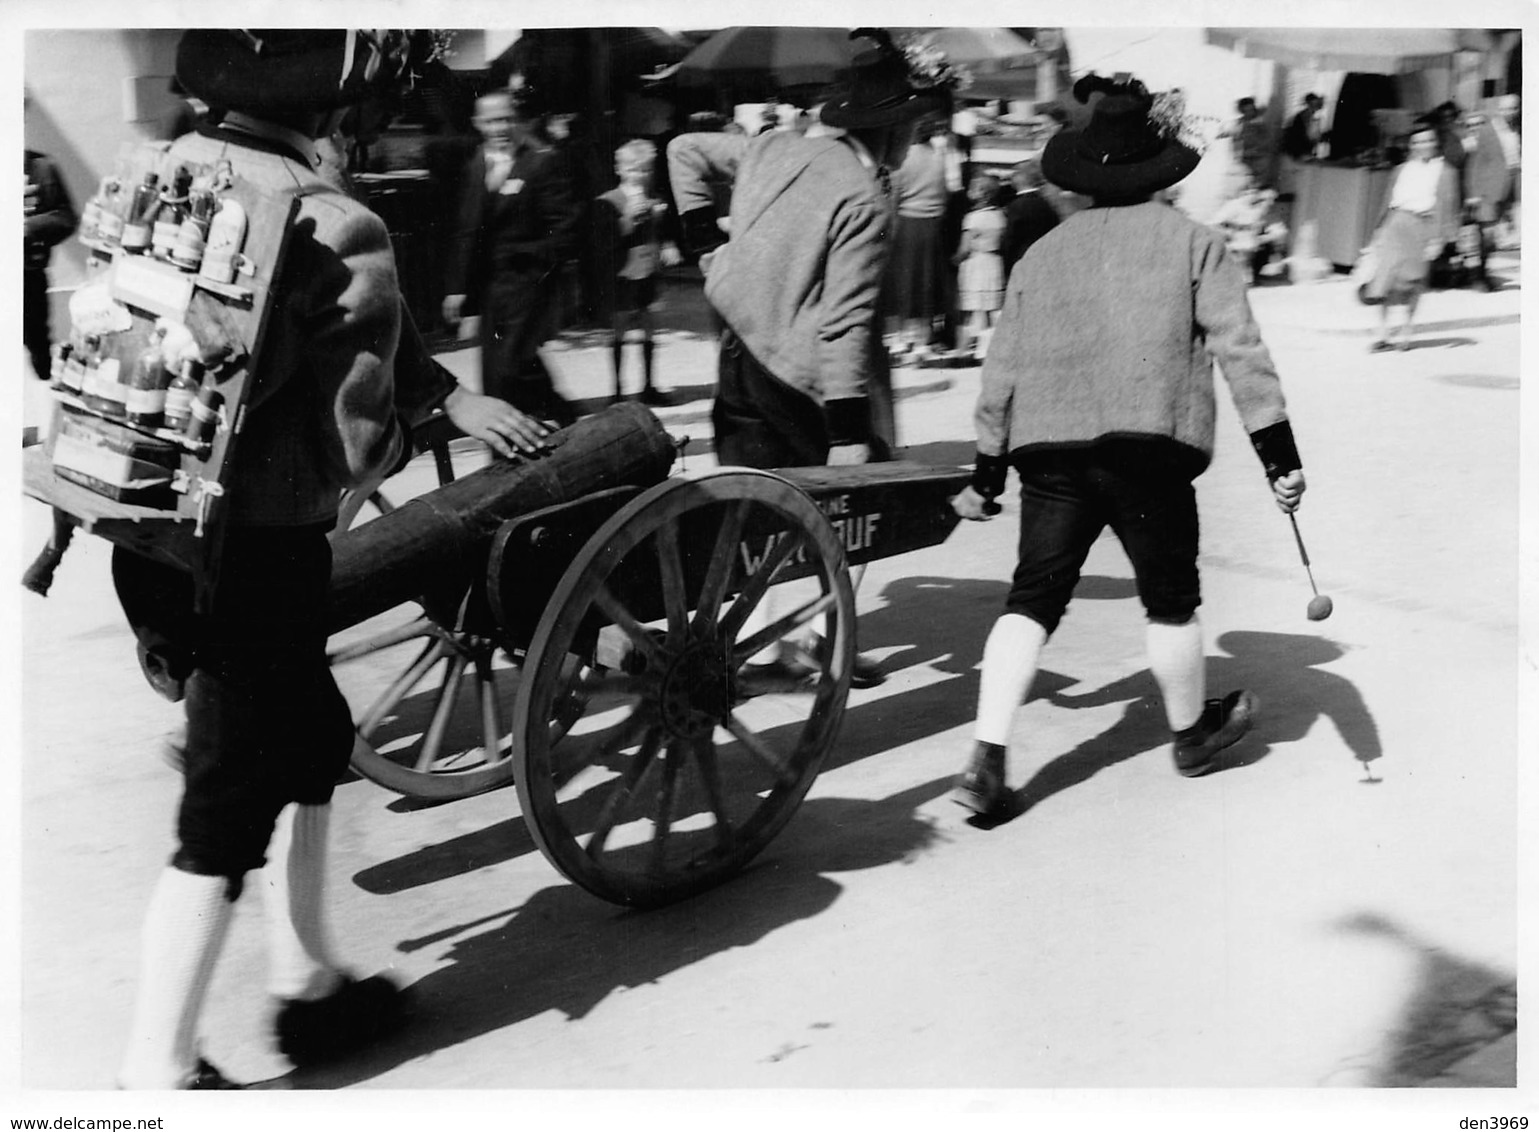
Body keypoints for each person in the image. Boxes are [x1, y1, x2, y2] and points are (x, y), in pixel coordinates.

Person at [110, 29, 550, 1091]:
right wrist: (409, 431)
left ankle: (309, 982)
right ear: (338, 112)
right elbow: (356, 445)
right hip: (256, 556)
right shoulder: (335, 218)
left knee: (313, 738)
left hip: (143, 530)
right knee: (223, 810)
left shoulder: (161, 174)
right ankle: (155, 1075)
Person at [949, 72, 1307, 819]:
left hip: (1048, 450)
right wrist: (1279, 457)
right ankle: (1190, 735)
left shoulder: (1041, 255)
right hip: (1148, 449)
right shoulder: (1194, 244)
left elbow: (1001, 368)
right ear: (1159, 169)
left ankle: (986, 756)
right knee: (1169, 599)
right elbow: (1240, 351)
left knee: (1032, 598)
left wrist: (986, 470)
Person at [668, 27, 958, 688]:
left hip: (737, 354)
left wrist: (697, 236)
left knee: (757, 506)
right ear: (892, 128)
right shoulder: (862, 197)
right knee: (852, 505)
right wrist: (851, 435)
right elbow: (845, 322)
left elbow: (684, 149)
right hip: (796, 374)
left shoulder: (769, 146)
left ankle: (766, 643)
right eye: (912, 128)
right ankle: (821, 642)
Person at [443, 88, 583, 426]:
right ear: (478, 124)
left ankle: (557, 414)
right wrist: (457, 288)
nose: (500, 128)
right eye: (491, 121)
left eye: (506, 119)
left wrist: (529, 256)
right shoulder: (475, 164)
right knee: (496, 373)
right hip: (490, 288)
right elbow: (466, 232)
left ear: (516, 120)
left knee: (510, 366)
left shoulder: (540, 161)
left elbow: (565, 228)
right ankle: (522, 436)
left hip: (529, 284)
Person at [593, 139, 681, 404]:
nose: (640, 175)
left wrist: (668, 245)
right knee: (620, 329)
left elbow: (664, 232)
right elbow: (603, 240)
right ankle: (618, 389)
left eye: (645, 170)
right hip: (622, 273)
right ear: (620, 169)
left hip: (649, 271)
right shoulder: (609, 201)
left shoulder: (656, 200)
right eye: (633, 169)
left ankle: (648, 386)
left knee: (649, 326)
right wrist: (628, 219)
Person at [1358, 123, 1460, 351]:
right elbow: (1386, 201)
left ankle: (1406, 330)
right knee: (1383, 279)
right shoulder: (1400, 170)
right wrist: (1377, 231)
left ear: (1436, 143)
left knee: (1413, 282)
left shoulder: (1447, 172)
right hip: (1395, 225)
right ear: (1411, 145)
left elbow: (1450, 207)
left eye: (1428, 140)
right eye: (1418, 141)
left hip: (1423, 227)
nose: (1423, 145)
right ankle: (1383, 334)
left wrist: (1439, 239)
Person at [883, 115, 952, 362]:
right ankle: (923, 339)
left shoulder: (901, 160)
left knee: (902, 281)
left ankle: (900, 338)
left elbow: (893, 197)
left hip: (906, 222)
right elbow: (944, 193)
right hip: (932, 223)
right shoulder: (938, 157)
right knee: (927, 281)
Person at [23, 142, 76, 382]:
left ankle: (49, 405)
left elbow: (66, 219)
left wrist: (27, 227)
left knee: (39, 351)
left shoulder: (41, 167)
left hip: (27, 277)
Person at [953, 171, 1008, 361]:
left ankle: (965, 350)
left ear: (981, 193)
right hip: (994, 261)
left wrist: (955, 260)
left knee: (975, 308)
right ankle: (986, 348)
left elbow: (964, 247)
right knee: (991, 308)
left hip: (976, 263)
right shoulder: (1000, 216)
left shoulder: (972, 218)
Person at [1209, 169, 1289, 285]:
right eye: (1264, 199)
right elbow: (1214, 223)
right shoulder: (1234, 206)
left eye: (1271, 200)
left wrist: (1262, 239)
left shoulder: (1262, 210)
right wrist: (1227, 234)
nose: (1268, 202)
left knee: (1245, 274)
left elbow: (1279, 230)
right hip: (1232, 244)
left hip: (1249, 246)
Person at [1462, 107, 1511, 292]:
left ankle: (1480, 276)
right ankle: (1472, 275)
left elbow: (1499, 170)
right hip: (1465, 200)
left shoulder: (1491, 141)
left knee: (1486, 241)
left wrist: (1491, 197)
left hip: (1485, 200)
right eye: (1470, 124)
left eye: (1479, 123)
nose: (1475, 127)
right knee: (1469, 242)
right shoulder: (1465, 144)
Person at [1000, 158, 1061, 274]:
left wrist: (1006, 266)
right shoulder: (1047, 201)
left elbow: (1011, 238)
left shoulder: (1017, 206)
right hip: (1045, 258)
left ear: (1021, 178)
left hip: (1021, 260)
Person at [1278, 92, 1324, 201]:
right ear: (1308, 104)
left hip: (1301, 152)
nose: (1315, 107)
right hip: (1297, 152)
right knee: (1293, 180)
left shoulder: (1311, 117)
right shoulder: (1302, 117)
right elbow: (1304, 136)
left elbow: (1313, 137)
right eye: (1312, 104)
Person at [1228, 96, 1273, 189]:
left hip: (1261, 155)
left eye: (1251, 109)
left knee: (1261, 175)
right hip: (1247, 157)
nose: (1249, 112)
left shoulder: (1260, 122)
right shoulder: (1239, 124)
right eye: (1246, 110)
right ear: (1242, 111)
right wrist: (1240, 154)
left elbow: (1267, 138)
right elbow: (1235, 143)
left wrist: (1259, 148)